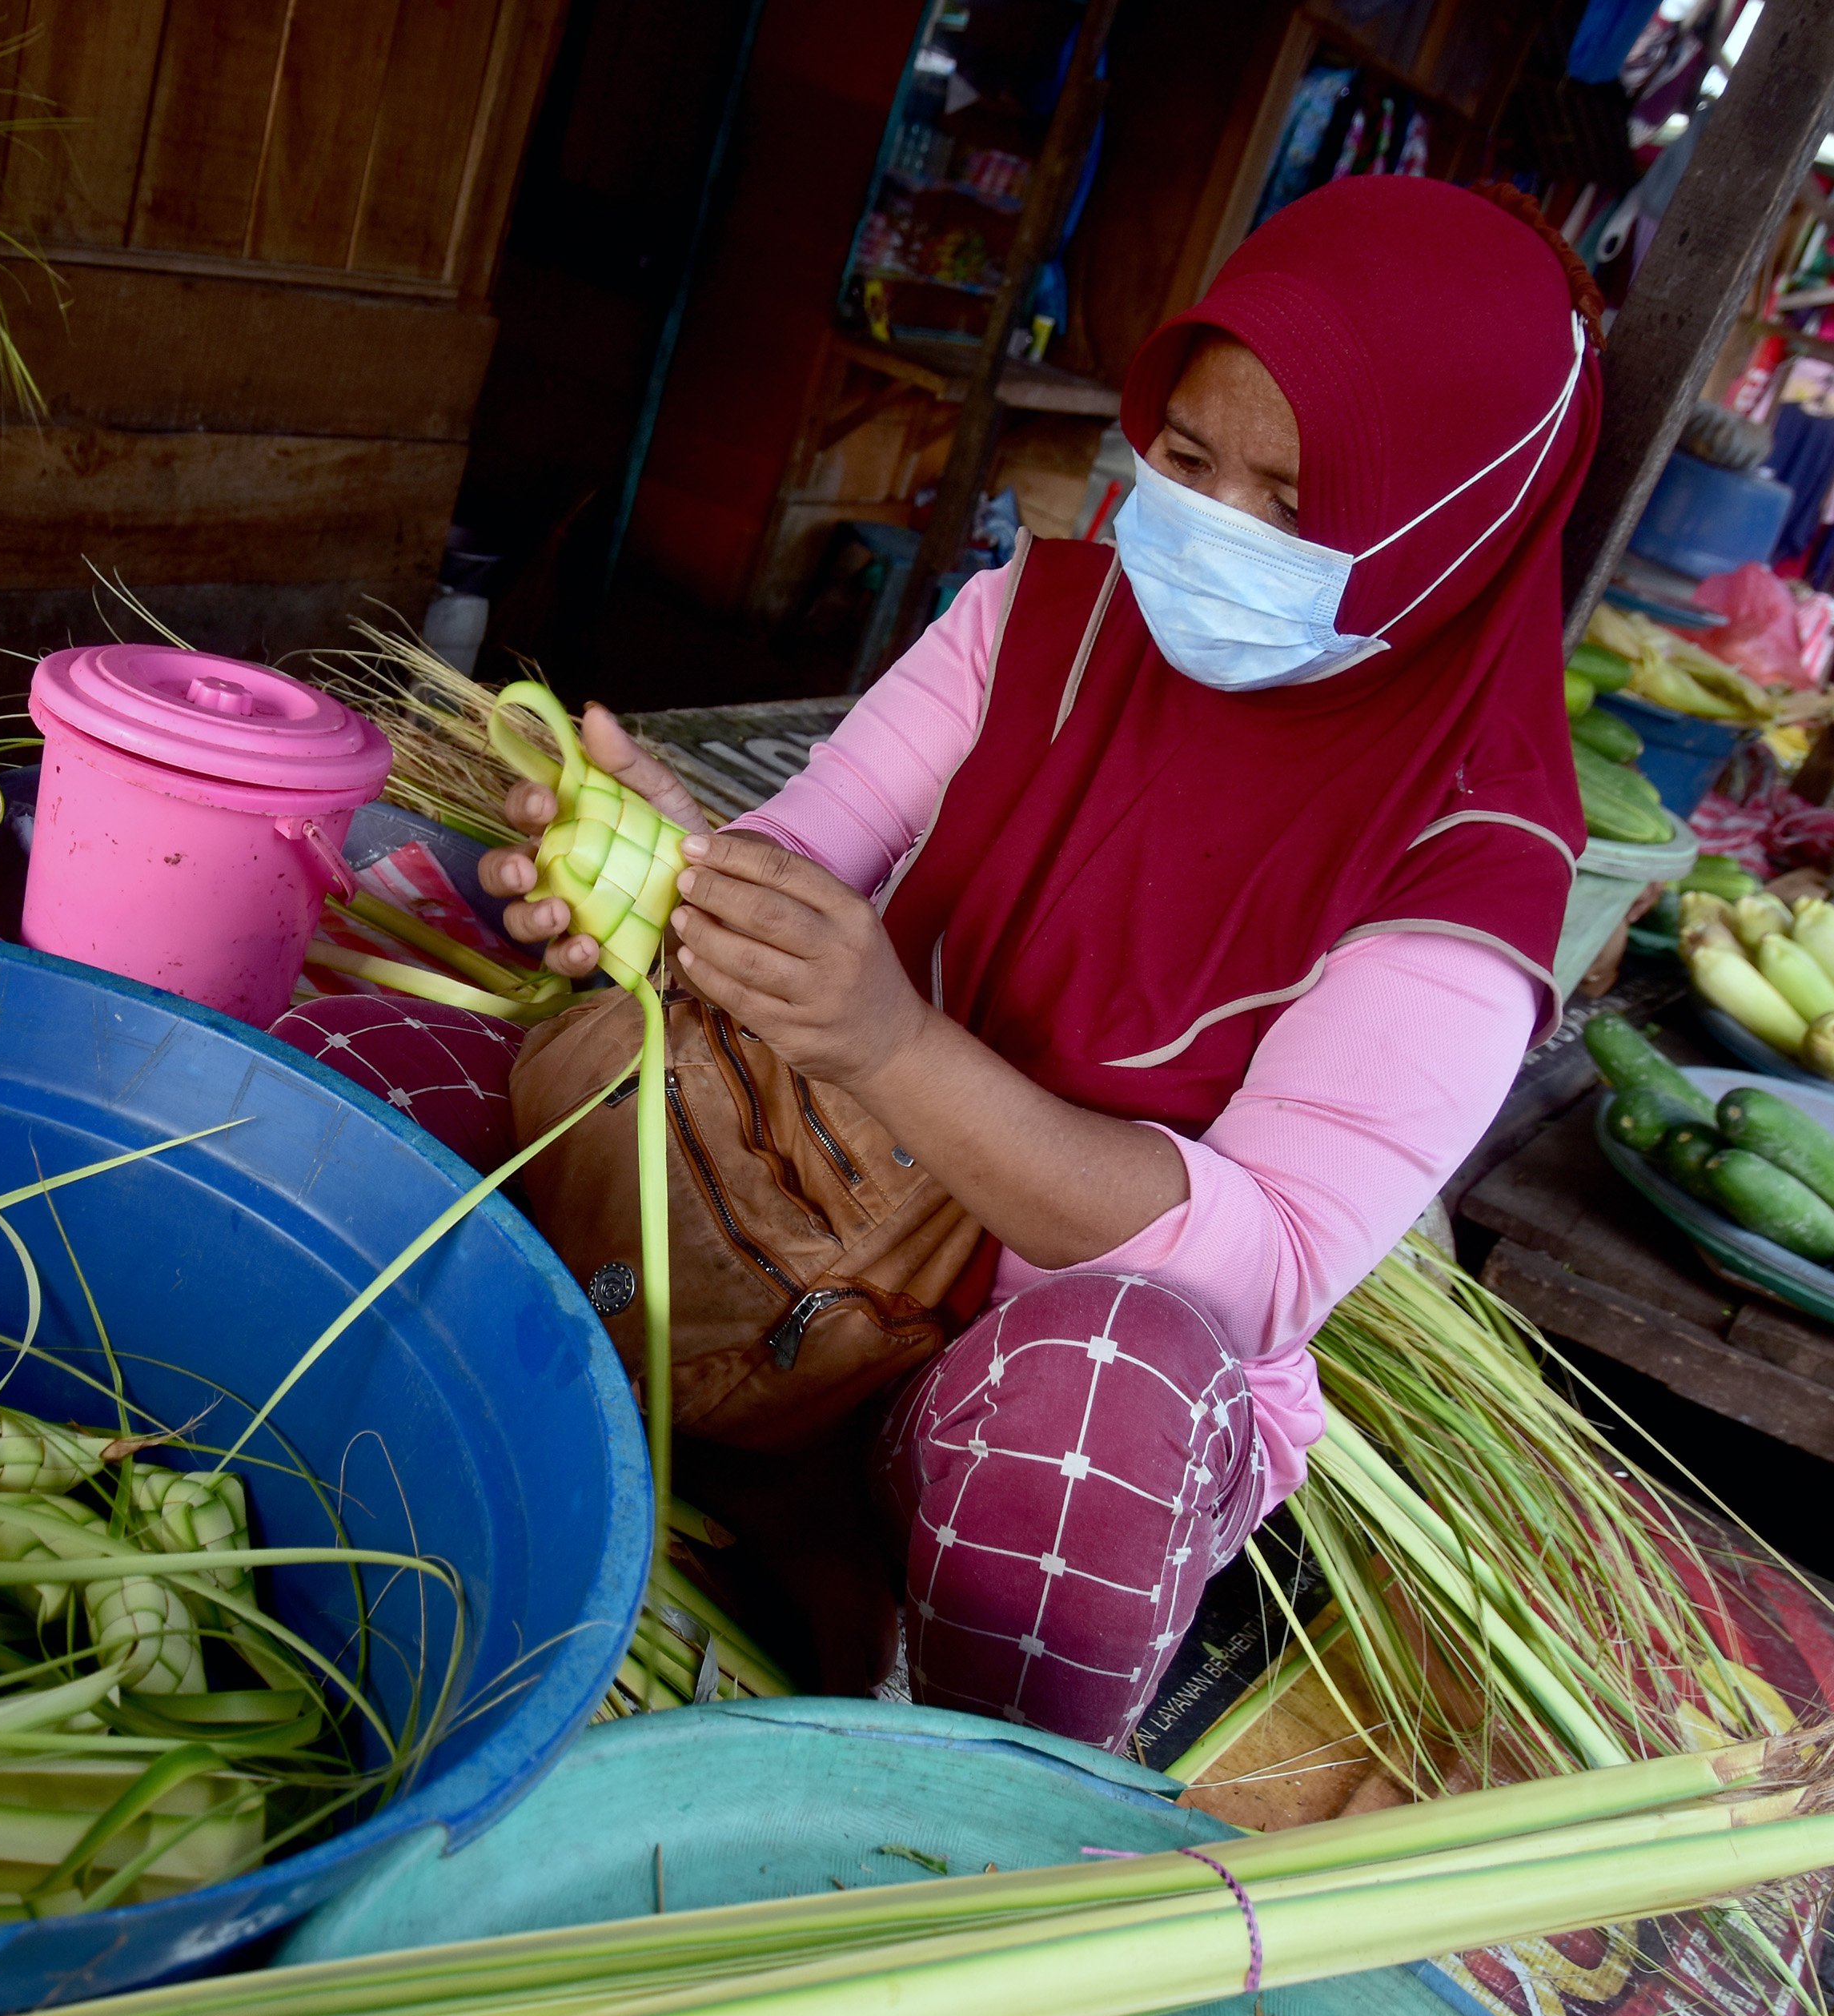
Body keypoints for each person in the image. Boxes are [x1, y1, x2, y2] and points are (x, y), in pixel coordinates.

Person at [288, 177, 1603, 1751]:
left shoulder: (1470, 864)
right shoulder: (1033, 620)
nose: (1210, 530)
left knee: (1107, 1393)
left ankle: (946, 1819)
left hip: (1003, 1381)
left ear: (1451, 521)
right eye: (1184, 459)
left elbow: (1256, 1269)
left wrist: (890, 1043)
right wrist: (665, 876)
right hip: (774, 1208)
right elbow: (803, 855)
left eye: (1295, 503)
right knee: (340, 1071)